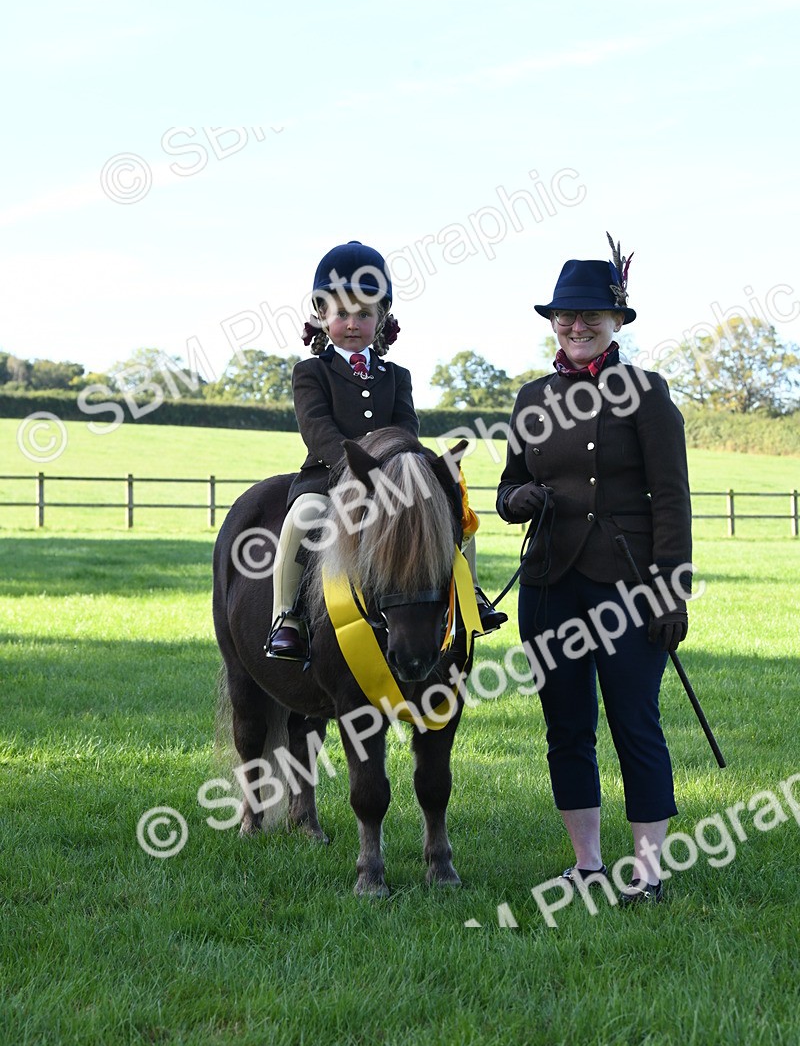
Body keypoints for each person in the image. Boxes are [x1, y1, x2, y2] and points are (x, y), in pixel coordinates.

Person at [496, 237, 692, 904]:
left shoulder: (645, 392)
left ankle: (649, 873)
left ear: (616, 323)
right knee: (567, 725)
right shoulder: (530, 398)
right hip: (550, 584)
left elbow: (670, 495)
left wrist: (673, 587)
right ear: (553, 323)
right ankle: (586, 865)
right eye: (565, 317)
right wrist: (518, 500)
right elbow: (507, 490)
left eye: (590, 318)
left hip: (630, 587)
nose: (576, 327)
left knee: (635, 721)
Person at [266, 240, 506, 660]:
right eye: (342, 313)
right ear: (323, 317)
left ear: (381, 321)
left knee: (457, 515)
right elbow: (317, 429)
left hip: (395, 475)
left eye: (364, 314)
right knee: (301, 518)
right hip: (330, 474)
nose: (353, 323)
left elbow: (407, 426)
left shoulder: (398, 375)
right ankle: (286, 616)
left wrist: (403, 466)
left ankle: (471, 601)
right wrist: (356, 467)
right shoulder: (310, 372)